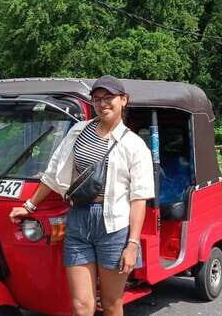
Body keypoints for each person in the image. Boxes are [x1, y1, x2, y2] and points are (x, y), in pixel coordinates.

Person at [9, 75, 155, 316]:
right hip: (77, 219)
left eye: (109, 97)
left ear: (123, 100)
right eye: (97, 99)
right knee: (81, 306)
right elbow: (54, 172)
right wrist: (29, 205)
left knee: (111, 303)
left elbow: (138, 199)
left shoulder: (134, 145)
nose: (102, 103)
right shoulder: (79, 131)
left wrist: (132, 244)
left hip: (113, 226)